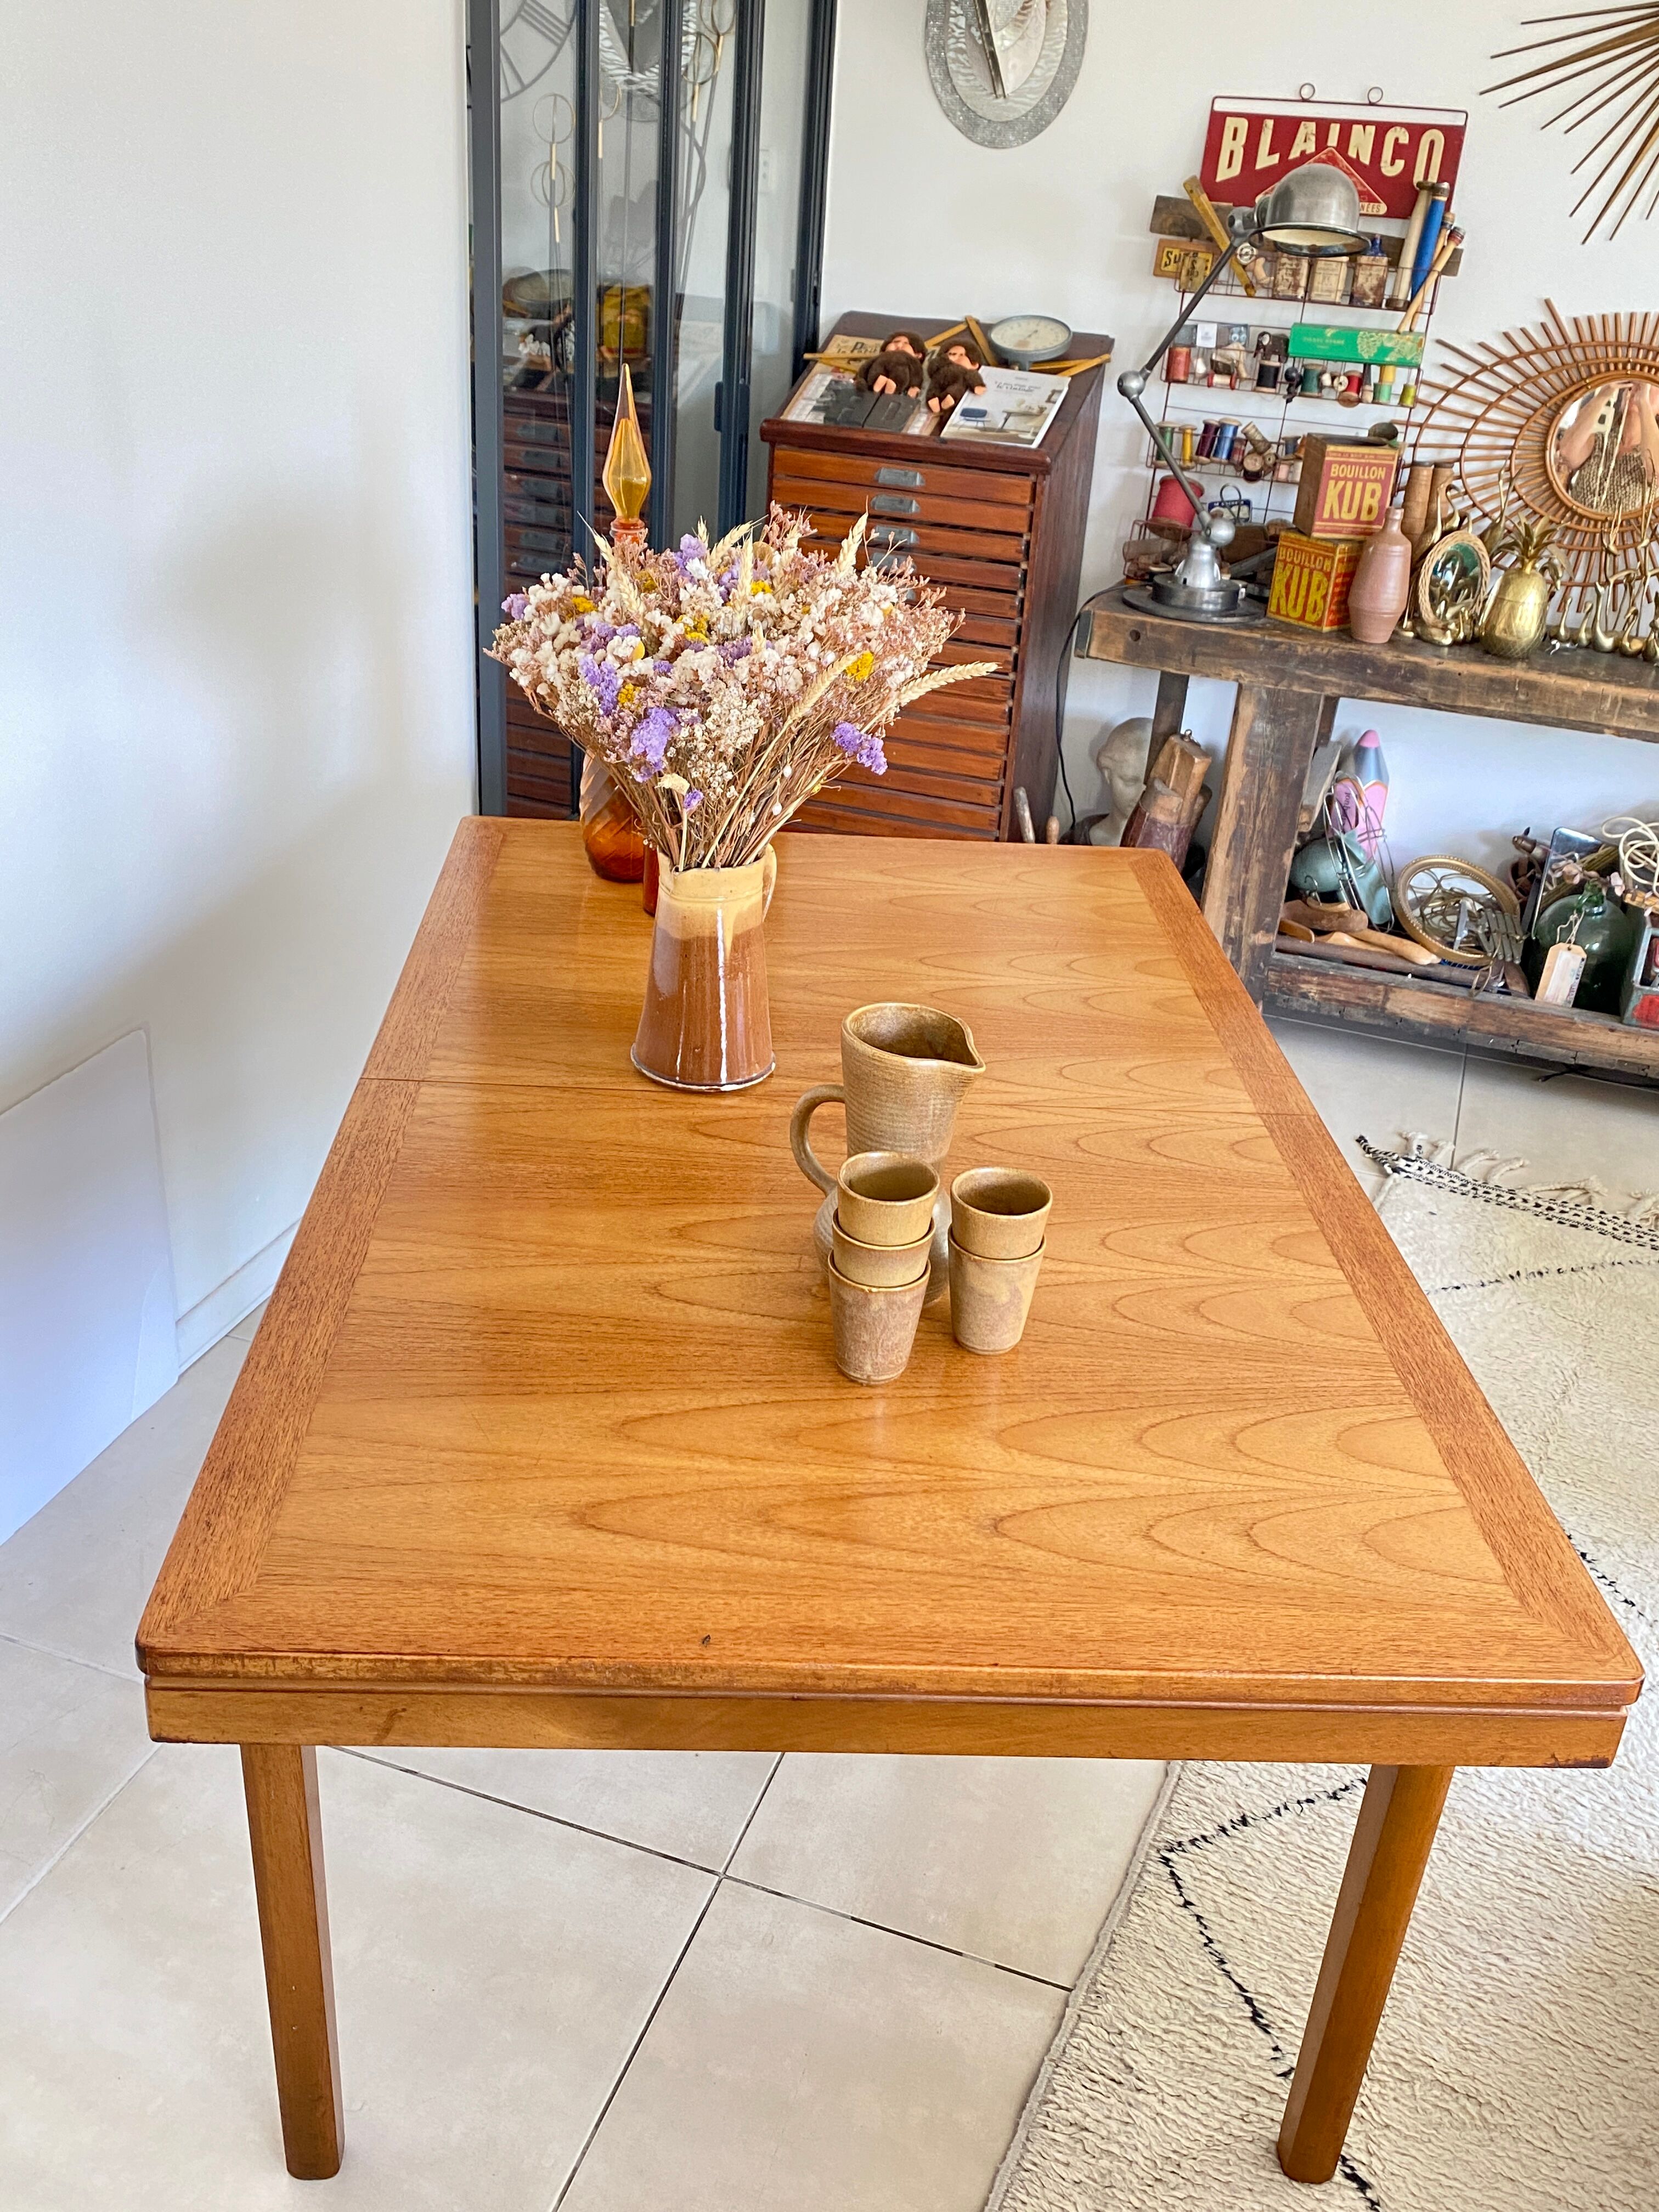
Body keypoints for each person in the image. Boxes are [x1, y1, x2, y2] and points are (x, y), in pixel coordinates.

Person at [1555, 381, 1659, 514]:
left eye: (1650, 385)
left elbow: (1656, 473)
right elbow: (1566, 452)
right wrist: (1605, 392)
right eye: (1633, 383)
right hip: (1578, 532)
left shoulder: (1654, 451)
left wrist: (1644, 403)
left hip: (1626, 534)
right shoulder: (1599, 441)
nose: (1638, 387)